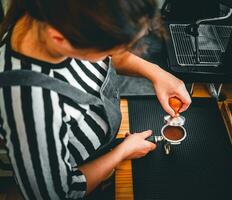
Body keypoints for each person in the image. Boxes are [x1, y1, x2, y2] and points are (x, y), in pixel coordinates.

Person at [0, 0, 191, 199]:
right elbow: (60, 194)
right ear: (59, 39)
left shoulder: (56, 17)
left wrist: (156, 73)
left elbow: (105, 52)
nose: (113, 54)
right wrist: (121, 153)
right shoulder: (31, 107)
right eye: (109, 49)